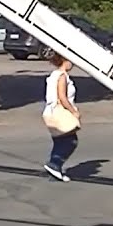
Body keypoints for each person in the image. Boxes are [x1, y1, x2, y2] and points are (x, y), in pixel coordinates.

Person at [42, 53, 80, 182]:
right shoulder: (62, 76)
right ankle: (54, 164)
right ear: (65, 60)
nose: (72, 64)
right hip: (59, 112)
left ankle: (54, 171)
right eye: (71, 60)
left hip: (50, 111)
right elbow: (62, 97)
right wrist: (73, 111)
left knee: (60, 141)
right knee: (70, 141)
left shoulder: (54, 75)